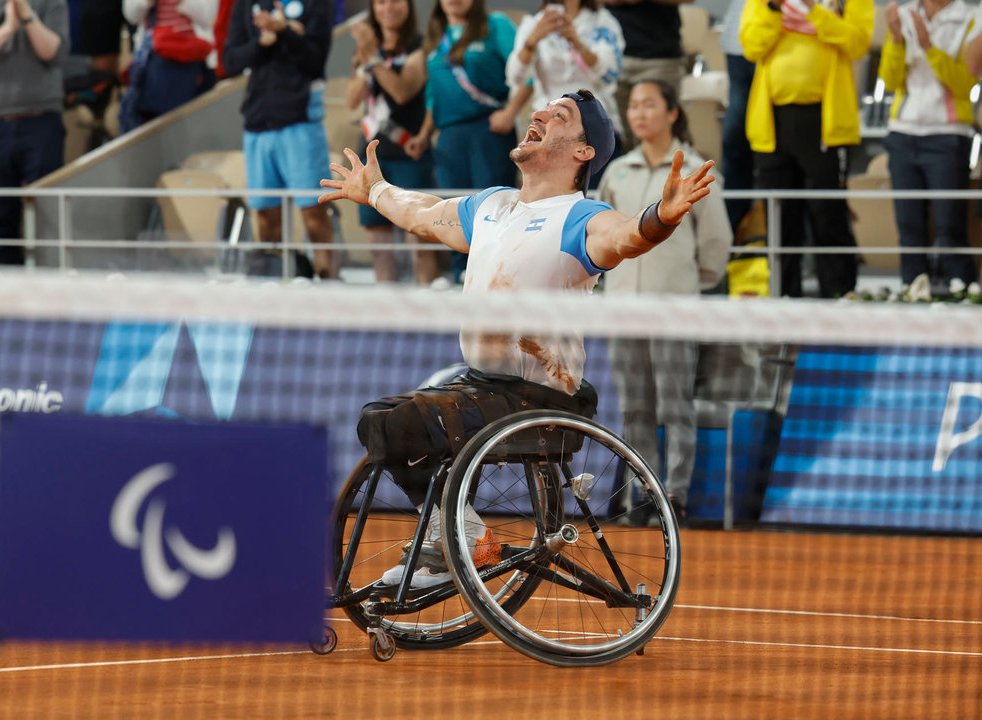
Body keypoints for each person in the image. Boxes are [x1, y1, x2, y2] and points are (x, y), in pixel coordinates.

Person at [320, 89, 715, 587]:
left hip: (539, 397)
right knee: (379, 421)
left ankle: (461, 539)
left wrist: (661, 216)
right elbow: (427, 212)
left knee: (407, 423)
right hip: (481, 386)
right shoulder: (491, 206)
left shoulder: (581, 217)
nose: (541, 114)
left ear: (583, 151)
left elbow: (628, 236)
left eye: (560, 115)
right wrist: (375, 190)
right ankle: (458, 533)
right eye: (544, 109)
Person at [597, 79, 731, 525]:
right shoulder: (616, 173)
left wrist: (687, 284)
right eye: (633, 105)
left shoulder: (695, 171)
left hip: (674, 310)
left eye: (650, 104)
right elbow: (604, 240)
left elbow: (715, 244)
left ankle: (674, 495)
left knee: (676, 404)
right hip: (622, 311)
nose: (640, 113)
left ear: (672, 112)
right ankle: (641, 492)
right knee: (635, 406)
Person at [740, 0, 872, 298]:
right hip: (774, 123)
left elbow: (858, 43)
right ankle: (784, 298)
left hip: (825, 123)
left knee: (828, 215)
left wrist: (813, 11)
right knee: (781, 219)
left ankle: (839, 297)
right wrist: (775, 9)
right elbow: (751, 46)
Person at [404, 0, 528, 283]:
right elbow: (433, 97)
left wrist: (510, 112)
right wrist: (424, 135)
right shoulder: (436, 36)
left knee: (492, 206)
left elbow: (524, 73)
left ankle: (496, 276)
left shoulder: (495, 25)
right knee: (454, 208)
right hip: (448, 136)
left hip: (488, 132)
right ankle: (461, 274)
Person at [224, 0, 338, 279]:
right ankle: (271, 288)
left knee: (314, 216)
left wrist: (284, 31)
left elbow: (315, 60)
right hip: (257, 124)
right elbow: (230, 62)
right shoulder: (246, 4)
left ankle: (330, 289)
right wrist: (263, 41)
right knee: (265, 218)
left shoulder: (316, 5)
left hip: (300, 124)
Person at [0, 0, 69, 266]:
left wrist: (27, 16)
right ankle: (6, 294)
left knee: (48, 215)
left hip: (42, 120)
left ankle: (48, 291)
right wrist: (7, 28)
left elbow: (56, 53)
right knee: (1, 216)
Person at [879, 0, 978, 293]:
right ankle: (913, 290)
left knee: (950, 225)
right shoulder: (905, 13)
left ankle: (960, 291)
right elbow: (889, 78)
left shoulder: (973, 17)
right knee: (908, 226)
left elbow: (965, 82)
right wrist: (897, 39)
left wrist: (927, 45)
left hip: (947, 134)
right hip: (903, 132)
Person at [346, 0, 438, 284]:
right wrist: (365, 57)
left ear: (409, 7)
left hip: (409, 153)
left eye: (396, 1)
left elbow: (401, 91)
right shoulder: (367, 51)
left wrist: (372, 58)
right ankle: (385, 321)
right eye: (381, 2)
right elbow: (352, 100)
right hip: (372, 156)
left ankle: (428, 317)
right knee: (379, 243)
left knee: (418, 241)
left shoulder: (420, 47)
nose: (389, 8)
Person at [505, 0, 625, 188]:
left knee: (591, 198)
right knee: (547, 195)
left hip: (592, 123)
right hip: (548, 128)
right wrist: (532, 41)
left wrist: (577, 42)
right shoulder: (535, 23)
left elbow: (609, 75)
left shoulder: (603, 22)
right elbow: (516, 77)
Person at [602, 0, 692, 152]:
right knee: (623, 138)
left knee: (665, 133)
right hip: (613, 55)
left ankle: (681, 173)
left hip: (660, 56)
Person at [120, 0, 218, 134]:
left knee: (194, 128)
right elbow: (131, 15)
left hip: (194, 65)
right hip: (152, 64)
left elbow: (208, 16)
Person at [719, 0, 756, 233]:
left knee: (789, 152)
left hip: (794, 42)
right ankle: (731, 237)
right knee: (734, 141)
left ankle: (797, 248)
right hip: (741, 45)